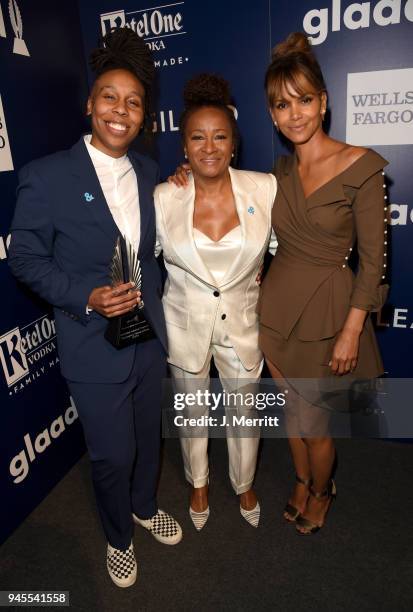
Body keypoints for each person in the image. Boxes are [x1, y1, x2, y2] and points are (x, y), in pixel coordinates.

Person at [8, 28, 182, 587]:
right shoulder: (47, 176)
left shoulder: (151, 172)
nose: (120, 110)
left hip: (147, 338)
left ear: (142, 116)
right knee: (110, 454)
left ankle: (144, 505)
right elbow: (25, 258)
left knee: (147, 440)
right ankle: (118, 535)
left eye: (133, 102)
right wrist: (84, 295)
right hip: (91, 344)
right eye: (110, 96)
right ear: (90, 103)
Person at [258, 32, 389, 534]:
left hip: (329, 315)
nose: (295, 114)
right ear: (272, 115)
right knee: (291, 413)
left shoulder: (361, 165)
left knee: (314, 422)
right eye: (282, 105)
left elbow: (375, 261)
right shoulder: (279, 172)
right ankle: (299, 478)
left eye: (305, 100)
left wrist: (352, 330)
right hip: (275, 312)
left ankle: (321, 488)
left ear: (325, 102)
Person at [155, 74, 277, 529]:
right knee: (192, 411)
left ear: (234, 144)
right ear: (184, 146)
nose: (210, 146)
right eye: (197, 137)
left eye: (220, 136)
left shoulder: (264, 189)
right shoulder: (164, 197)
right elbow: (146, 262)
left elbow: (281, 249)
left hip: (243, 326)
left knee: (245, 414)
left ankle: (244, 483)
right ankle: (198, 480)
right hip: (186, 327)